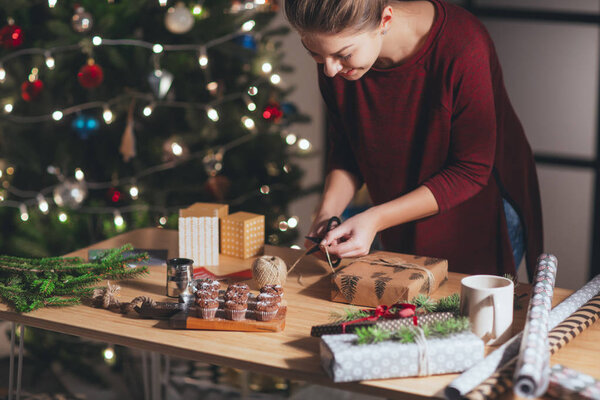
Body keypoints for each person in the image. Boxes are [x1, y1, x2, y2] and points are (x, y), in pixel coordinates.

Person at [284, 0, 543, 279]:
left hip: (479, 214)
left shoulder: (464, 45)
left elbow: (472, 169)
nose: (330, 71)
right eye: (315, 55)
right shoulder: (336, 59)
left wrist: (376, 218)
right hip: (396, 214)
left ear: (384, 20)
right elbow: (348, 148)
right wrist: (327, 214)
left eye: (343, 54)